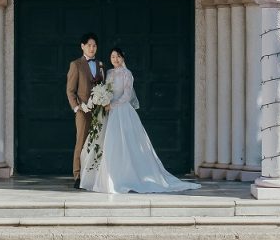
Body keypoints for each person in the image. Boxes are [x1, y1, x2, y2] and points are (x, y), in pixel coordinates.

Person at [80, 45, 201, 194]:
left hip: (122, 111)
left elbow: (127, 94)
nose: (115, 59)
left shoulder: (127, 74)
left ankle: (130, 176)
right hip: (110, 112)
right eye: (112, 56)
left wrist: (113, 105)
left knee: (128, 144)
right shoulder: (109, 73)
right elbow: (107, 90)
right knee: (111, 143)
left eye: (118, 56)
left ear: (122, 58)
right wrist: (103, 99)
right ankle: (110, 178)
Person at [66, 31, 106, 189]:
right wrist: (77, 108)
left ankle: (94, 174)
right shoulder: (76, 65)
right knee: (81, 142)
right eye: (89, 45)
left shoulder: (101, 65)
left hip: (99, 111)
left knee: (98, 142)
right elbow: (70, 90)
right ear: (82, 46)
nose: (92, 48)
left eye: (94, 45)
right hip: (83, 112)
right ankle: (78, 175)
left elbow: (104, 86)